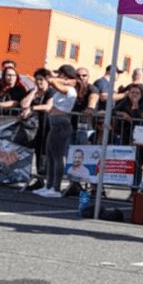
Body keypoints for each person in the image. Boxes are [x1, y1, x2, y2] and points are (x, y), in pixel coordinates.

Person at [34, 65, 79, 198]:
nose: (57, 76)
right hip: (54, 123)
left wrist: (63, 80)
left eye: (60, 74)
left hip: (61, 124)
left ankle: (56, 188)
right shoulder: (63, 88)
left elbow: (53, 81)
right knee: (50, 155)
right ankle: (49, 185)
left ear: (65, 75)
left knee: (57, 156)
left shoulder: (69, 88)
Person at [19, 68, 56, 182]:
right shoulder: (33, 91)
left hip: (46, 126)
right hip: (33, 127)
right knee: (36, 152)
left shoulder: (51, 92)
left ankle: (47, 180)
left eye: (41, 79)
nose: (39, 82)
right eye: (37, 79)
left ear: (47, 80)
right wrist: (34, 92)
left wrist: (33, 108)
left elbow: (48, 106)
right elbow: (23, 104)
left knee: (44, 153)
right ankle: (39, 180)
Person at [72, 67, 99, 144]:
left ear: (88, 77)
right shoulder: (72, 88)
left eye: (84, 75)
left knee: (81, 151)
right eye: (78, 75)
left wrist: (90, 107)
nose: (81, 77)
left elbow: (94, 96)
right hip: (70, 125)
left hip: (86, 127)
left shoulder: (91, 88)